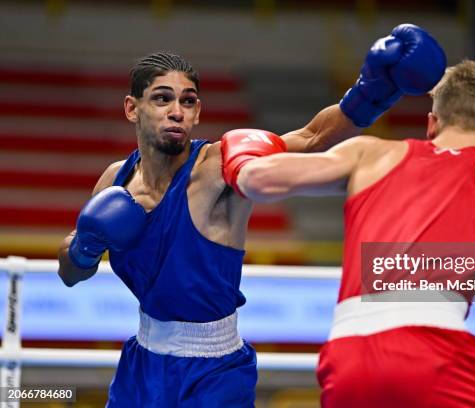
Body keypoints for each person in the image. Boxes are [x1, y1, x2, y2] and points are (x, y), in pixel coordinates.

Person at [57, 24, 446, 407]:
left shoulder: (215, 167)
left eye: (188, 101)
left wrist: (374, 90)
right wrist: (83, 248)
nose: (177, 111)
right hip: (141, 365)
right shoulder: (115, 180)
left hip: (214, 373)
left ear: (197, 112)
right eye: (162, 99)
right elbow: (71, 275)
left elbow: (311, 138)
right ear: (132, 108)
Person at [234, 60, 475, 407]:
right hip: (432, 352)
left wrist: (242, 148)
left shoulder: (369, 153)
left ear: (431, 123)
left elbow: (255, 178)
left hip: (346, 357)